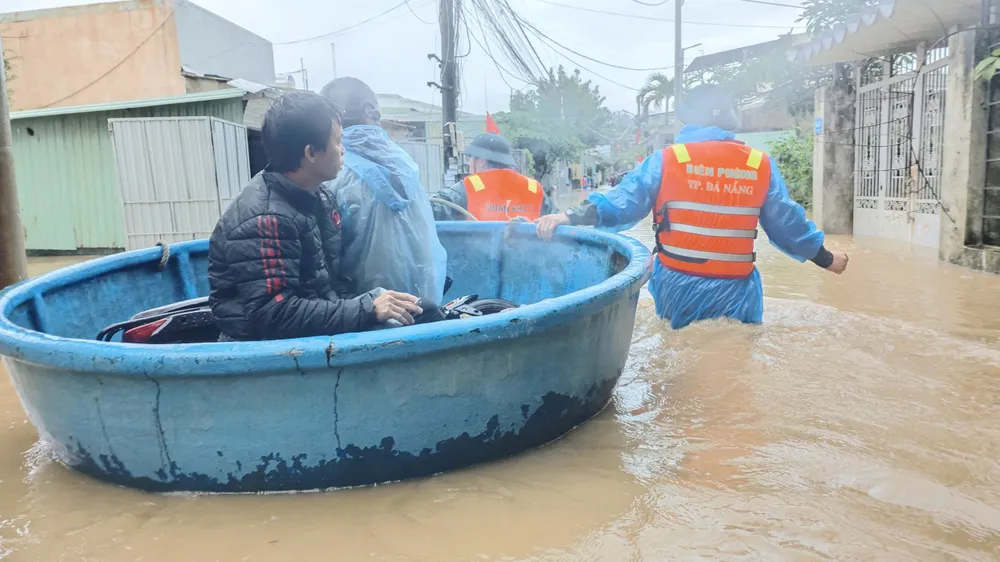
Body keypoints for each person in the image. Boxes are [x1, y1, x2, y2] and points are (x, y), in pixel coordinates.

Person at [535, 84, 849, 330]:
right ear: (729, 119)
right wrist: (827, 259)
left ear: (688, 119)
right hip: (737, 292)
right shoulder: (758, 163)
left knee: (677, 373)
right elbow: (788, 225)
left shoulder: (667, 159)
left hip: (677, 287)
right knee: (735, 375)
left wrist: (569, 215)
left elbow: (622, 203)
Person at [208, 91, 423, 341]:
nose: (343, 150)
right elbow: (275, 314)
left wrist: (372, 304)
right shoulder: (265, 219)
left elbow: (328, 285)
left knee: (421, 311)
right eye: (338, 142)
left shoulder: (317, 196)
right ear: (311, 153)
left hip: (312, 327)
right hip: (266, 350)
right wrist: (366, 308)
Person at [321, 77, 448, 304]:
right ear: (372, 112)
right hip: (425, 310)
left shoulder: (331, 171)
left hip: (368, 315)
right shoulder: (404, 163)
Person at [430, 132, 560, 221]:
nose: (469, 164)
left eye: (471, 159)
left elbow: (430, 208)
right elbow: (557, 220)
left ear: (481, 161)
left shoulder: (470, 187)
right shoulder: (533, 188)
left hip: (479, 259)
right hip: (527, 259)